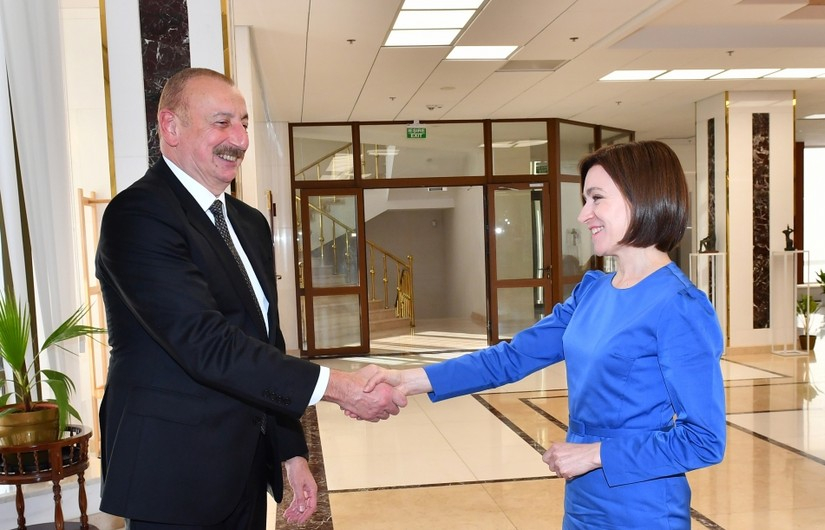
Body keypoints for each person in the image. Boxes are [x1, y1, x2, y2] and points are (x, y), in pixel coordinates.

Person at [95, 67, 406, 529]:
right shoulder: (139, 215)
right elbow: (206, 343)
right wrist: (340, 387)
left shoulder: (249, 223)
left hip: (242, 467)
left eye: (243, 124)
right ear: (171, 127)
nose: (239, 140)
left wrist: (291, 452)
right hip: (172, 474)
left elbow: (264, 343)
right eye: (222, 123)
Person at [360, 140, 726, 529]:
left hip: (642, 506)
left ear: (642, 198)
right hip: (583, 498)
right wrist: (408, 380)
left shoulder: (680, 306)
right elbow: (512, 358)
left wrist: (596, 454)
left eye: (596, 198)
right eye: (584, 200)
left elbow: (704, 439)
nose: (584, 214)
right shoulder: (592, 291)